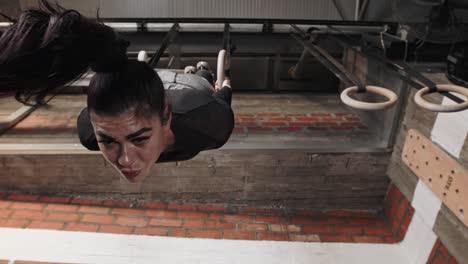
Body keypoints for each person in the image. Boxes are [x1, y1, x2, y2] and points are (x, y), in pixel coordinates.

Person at [0, 0, 234, 183]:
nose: (125, 161)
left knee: (202, 80)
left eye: (140, 138)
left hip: (188, 88)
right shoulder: (91, 131)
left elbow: (222, 98)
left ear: (167, 119)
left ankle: (200, 70)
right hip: (156, 83)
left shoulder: (208, 124)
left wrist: (223, 88)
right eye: (108, 142)